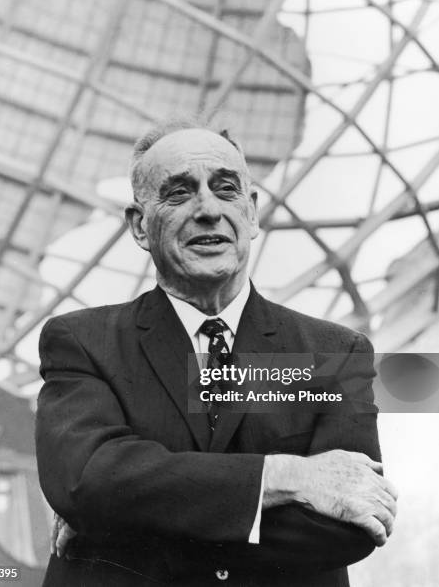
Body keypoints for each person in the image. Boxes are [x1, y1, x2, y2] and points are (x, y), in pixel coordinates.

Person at [35, 119, 398, 587]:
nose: (208, 209)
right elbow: (87, 480)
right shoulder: (81, 341)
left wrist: (118, 527)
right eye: (179, 193)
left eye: (225, 189)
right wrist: (282, 477)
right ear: (139, 226)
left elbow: (350, 522)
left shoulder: (335, 354)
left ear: (251, 212)